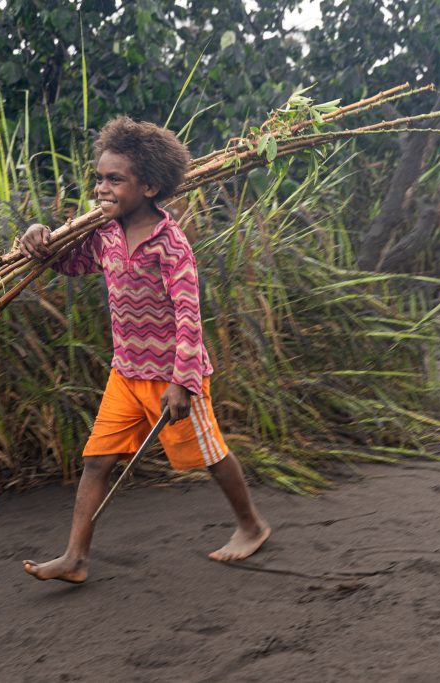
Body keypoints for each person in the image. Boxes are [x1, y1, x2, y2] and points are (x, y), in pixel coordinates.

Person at [18, 117, 270, 584]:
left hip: (172, 376)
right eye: (99, 178)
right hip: (125, 372)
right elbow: (70, 263)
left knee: (211, 456)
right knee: (96, 461)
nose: (101, 189)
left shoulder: (171, 246)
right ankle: (75, 557)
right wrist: (38, 237)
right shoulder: (104, 234)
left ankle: (252, 526)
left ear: (150, 185)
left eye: (115, 180)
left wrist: (182, 382)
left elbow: (190, 319)